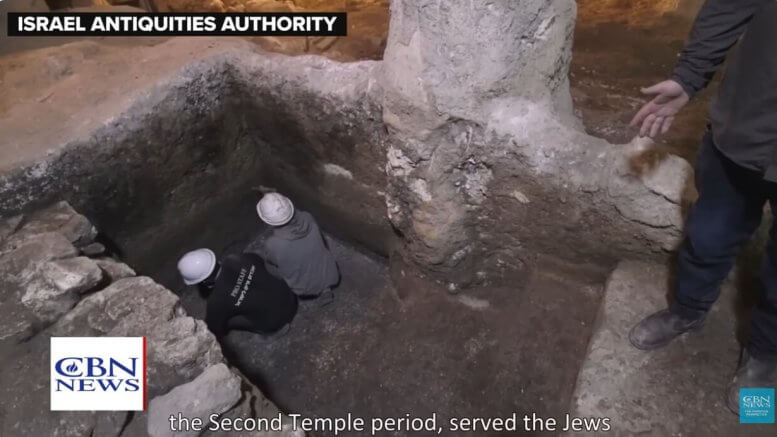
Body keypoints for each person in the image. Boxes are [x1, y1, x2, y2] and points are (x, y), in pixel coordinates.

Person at [628, 0, 777, 415]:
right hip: (744, 129)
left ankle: (765, 354)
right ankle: (687, 311)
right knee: (708, 236)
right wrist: (690, 77)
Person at [177, 248, 298, 338]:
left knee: (226, 320)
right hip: (290, 296)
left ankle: (274, 330)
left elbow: (213, 328)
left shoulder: (217, 301)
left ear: (203, 281)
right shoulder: (240, 257)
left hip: (276, 322)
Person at [249, 192, 340, 304]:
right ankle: (325, 288)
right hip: (331, 274)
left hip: (304, 289)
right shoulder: (307, 216)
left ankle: (288, 297)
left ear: (267, 221)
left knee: (268, 265)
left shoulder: (273, 243)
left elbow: (273, 261)